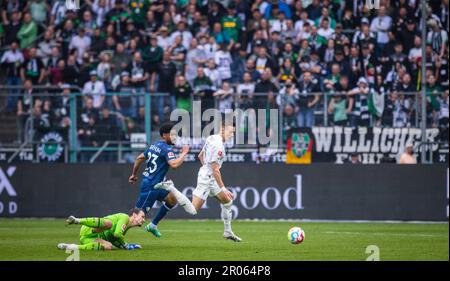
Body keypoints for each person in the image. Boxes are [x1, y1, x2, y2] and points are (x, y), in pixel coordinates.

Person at [155, 120, 242, 242]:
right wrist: (223, 187)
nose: (232, 135)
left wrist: (206, 169)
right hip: (207, 179)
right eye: (231, 132)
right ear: (223, 129)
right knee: (193, 210)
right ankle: (171, 187)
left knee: (227, 202)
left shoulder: (211, 138)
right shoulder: (218, 146)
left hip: (208, 176)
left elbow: (200, 156)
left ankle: (227, 231)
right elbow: (216, 170)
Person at [128, 122, 196, 238]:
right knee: (135, 217)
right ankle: (114, 231)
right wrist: (184, 153)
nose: (176, 137)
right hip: (150, 186)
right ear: (165, 135)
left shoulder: (155, 145)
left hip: (157, 185)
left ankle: (153, 225)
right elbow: (174, 164)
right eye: (173, 134)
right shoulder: (166, 149)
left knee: (172, 199)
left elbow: (139, 158)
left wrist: (134, 174)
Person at [57, 208, 145, 251]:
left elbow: (113, 238)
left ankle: (71, 247)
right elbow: (117, 234)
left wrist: (126, 246)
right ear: (134, 214)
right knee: (109, 224)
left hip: (88, 239)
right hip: (89, 229)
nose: (144, 220)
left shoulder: (126, 227)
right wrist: (125, 244)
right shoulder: (125, 217)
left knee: (108, 246)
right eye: (142, 216)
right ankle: (77, 220)